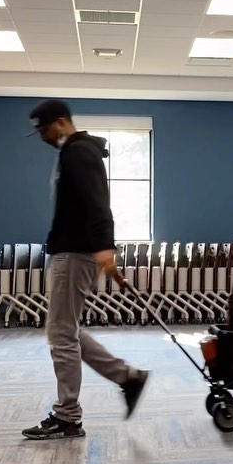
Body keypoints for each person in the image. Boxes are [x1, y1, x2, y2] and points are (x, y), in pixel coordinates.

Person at [22, 99, 148, 440]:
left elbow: (98, 202)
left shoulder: (79, 152)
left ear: (61, 122)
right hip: (71, 251)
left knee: (61, 334)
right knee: (66, 330)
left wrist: (106, 247)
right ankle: (128, 378)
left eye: (44, 130)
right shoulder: (74, 152)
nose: (43, 137)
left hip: (76, 254)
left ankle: (67, 416)